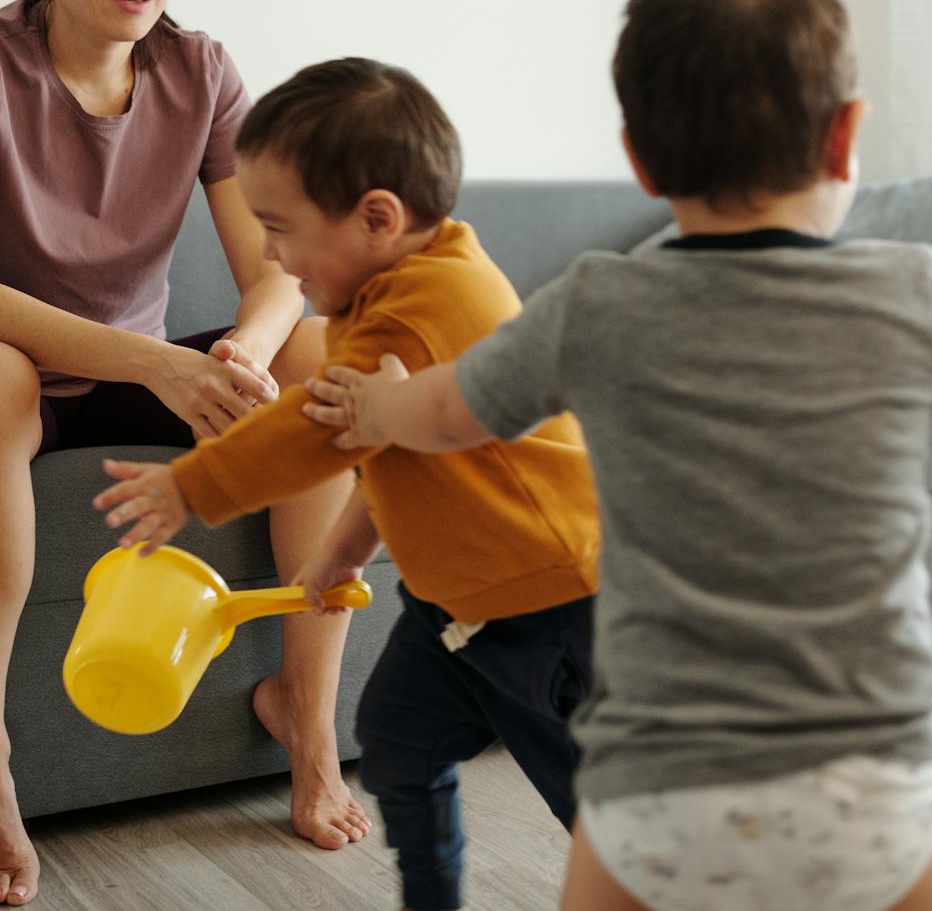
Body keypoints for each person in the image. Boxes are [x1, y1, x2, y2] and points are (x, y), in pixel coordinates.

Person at [301, 0, 932, 911]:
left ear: (638, 158)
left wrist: (376, 405)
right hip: (867, 761)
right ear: (845, 138)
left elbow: (452, 412)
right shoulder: (912, 291)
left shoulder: (598, 304)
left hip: (654, 772)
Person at [0, 0, 368, 909]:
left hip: (136, 358)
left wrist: (242, 350)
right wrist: (158, 363)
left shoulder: (200, 69)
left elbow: (278, 265)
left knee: (318, 353)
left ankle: (303, 714)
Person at [94, 58, 600, 911]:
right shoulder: (383, 297)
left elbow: (315, 431)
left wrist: (193, 485)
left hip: (551, 605)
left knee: (598, 807)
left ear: (376, 217)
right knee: (396, 741)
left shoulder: (429, 300)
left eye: (281, 229)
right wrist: (336, 555)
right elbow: (389, 452)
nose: (269, 255)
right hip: (455, 609)